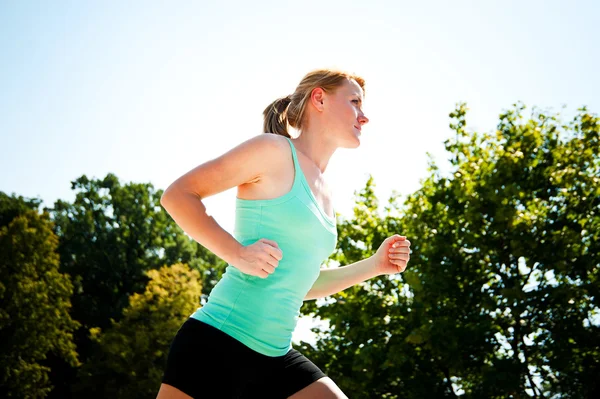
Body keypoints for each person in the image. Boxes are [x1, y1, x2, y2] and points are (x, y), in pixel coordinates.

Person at [156, 68, 411, 399]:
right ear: (319, 98)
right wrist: (237, 253)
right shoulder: (273, 151)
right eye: (354, 102)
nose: (364, 117)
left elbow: (299, 283)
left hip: (276, 360)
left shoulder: (325, 194)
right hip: (217, 343)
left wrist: (375, 265)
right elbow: (177, 195)